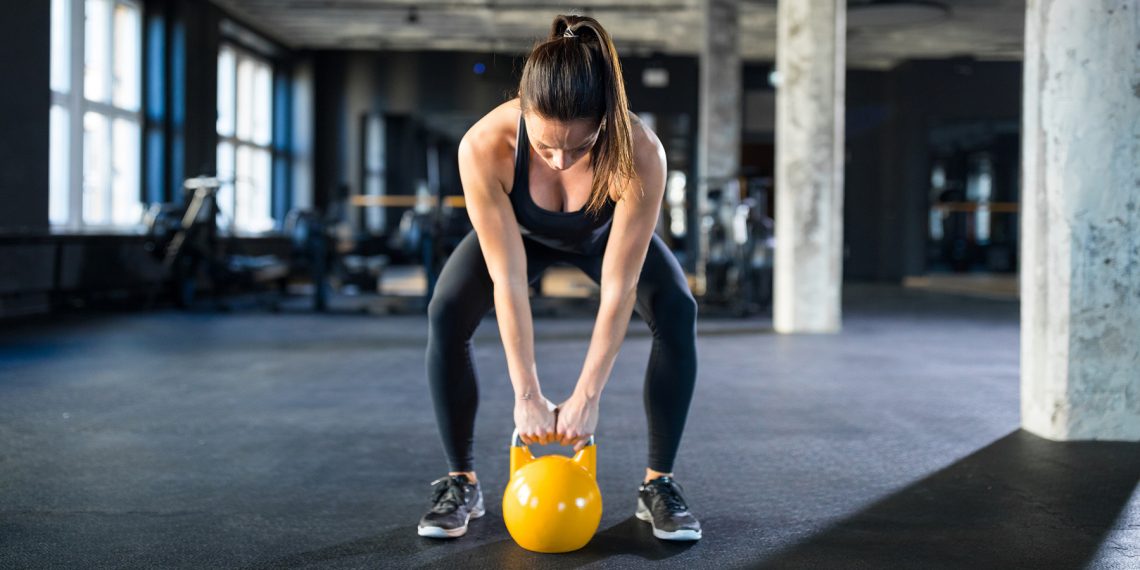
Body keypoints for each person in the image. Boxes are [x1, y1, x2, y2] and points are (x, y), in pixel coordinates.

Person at [417, 14, 701, 542]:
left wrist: (587, 395)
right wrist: (526, 392)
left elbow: (619, 289)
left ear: (606, 121)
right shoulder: (483, 146)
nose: (561, 160)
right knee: (446, 311)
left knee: (678, 310)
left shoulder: (641, 153)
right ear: (523, 113)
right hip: (519, 236)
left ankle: (658, 484)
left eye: (580, 146)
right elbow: (508, 279)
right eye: (546, 147)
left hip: (601, 237)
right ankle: (462, 481)